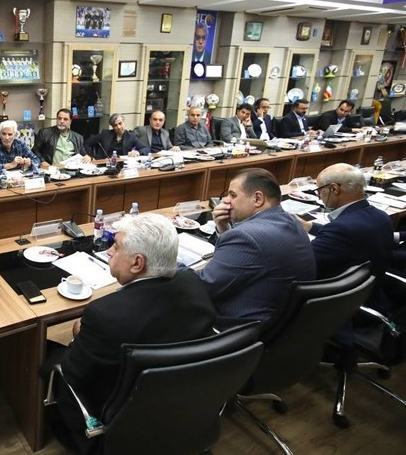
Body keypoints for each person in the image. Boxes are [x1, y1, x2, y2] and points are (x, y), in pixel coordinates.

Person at [44, 213, 215, 453]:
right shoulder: (193, 283)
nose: (109, 251)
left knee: (47, 355)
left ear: (137, 263)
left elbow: (74, 375)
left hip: (118, 417)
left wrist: (79, 338)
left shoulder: (104, 315)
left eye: (116, 246)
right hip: (181, 406)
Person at [195, 168, 315, 329]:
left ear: (258, 199)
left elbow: (202, 287)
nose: (226, 201)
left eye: (232, 195)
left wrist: (170, 265)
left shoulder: (246, 237)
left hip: (239, 328)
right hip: (283, 324)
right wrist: (223, 228)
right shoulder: (291, 221)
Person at [298, 163, 392, 279]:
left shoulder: (340, 229)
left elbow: (300, 261)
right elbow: (349, 236)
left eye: (319, 190)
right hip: (370, 285)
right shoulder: (381, 216)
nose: (319, 196)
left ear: (334, 189)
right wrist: (307, 225)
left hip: (328, 286)